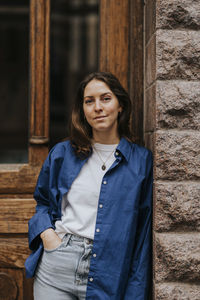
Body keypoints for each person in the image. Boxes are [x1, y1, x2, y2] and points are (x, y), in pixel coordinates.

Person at [25, 72, 153, 300]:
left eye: (105, 98)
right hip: (57, 265)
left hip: (110, 273)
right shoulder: (63, 154)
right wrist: (48, 235)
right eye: (89, 101)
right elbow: (43, 202)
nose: (97, 107)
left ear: (120, 105)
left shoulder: (141, 161)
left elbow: (142, 234)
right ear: (82, 110)